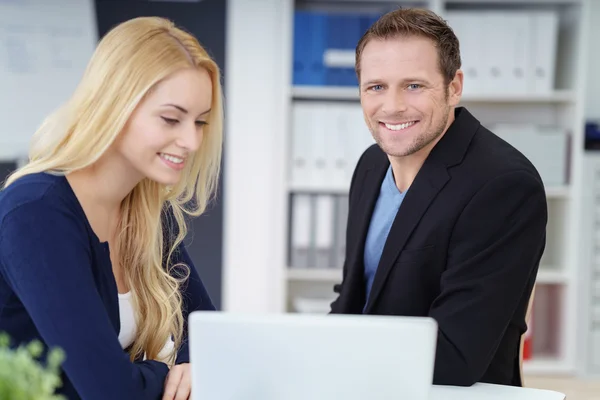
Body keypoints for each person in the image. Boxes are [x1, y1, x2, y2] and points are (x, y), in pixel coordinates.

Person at [0, 16, 222, 400]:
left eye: (200, 122)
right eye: (171, 118)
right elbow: (109, 390)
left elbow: (211, 341)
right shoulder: (36, 213)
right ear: (114, 106)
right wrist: (168, 370)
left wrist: (189, 367)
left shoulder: (148, 208)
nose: (190, 140)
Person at [329, 8, 547, 387]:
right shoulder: (371, 164)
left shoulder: (503, 185)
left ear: (454, 86)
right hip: (365, 384)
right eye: (376, 86)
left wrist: (336, 356)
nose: (393, 106)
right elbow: (355, 297)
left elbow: (455, 356)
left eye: (414, 85)